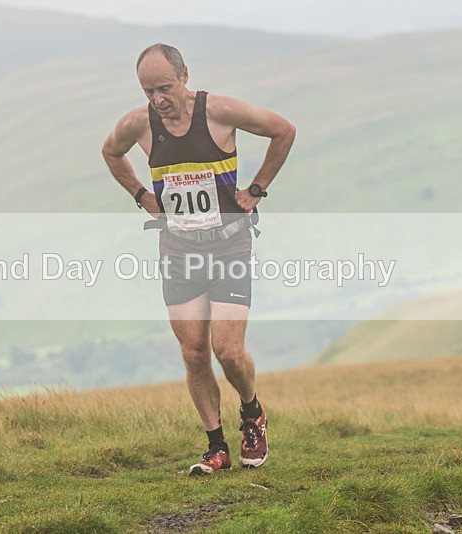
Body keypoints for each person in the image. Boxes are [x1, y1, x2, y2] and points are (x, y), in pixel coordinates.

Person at [102, 43, 295, 475]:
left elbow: (284, 130)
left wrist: (257, 189)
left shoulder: (220, 112)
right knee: (193, 353)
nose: (158, 99)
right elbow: (111, 152)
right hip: (178, 250)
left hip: (229, 246)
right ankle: (216, 447)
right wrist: (141, 195)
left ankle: (252, 413)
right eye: (149, 90)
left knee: (227, 351)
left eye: (165, 88)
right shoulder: (139, 123)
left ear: (185, 76)